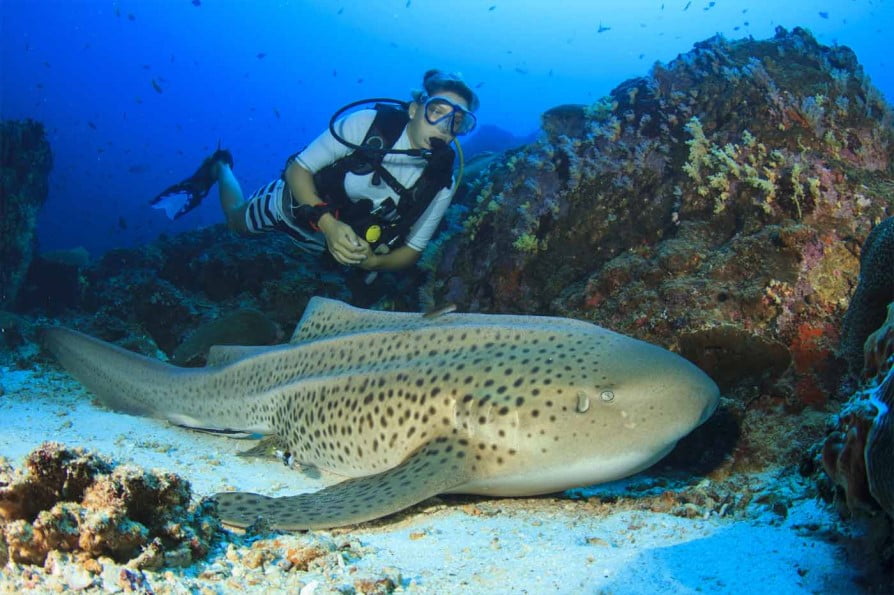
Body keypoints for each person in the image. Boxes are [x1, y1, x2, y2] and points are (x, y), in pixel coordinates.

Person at [151, 70, 479, 274]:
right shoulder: (367, 124)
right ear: (414, 109)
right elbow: (299, 169)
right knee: (237, 223)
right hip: (292, 206)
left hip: (323, 247)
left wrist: (373, 263)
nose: (445, 125)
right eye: (437, 111)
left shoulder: (442, 181)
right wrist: (329, 224)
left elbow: (413, 250)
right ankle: (220, 166)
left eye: (457, 121)